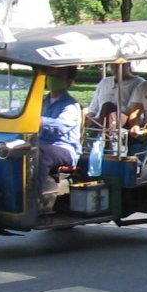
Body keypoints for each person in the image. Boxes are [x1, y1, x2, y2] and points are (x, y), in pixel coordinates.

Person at [37, 66, 82, 202]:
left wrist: (41, 121)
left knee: (41, 153)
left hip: (64, 149)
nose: (53, 79)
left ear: (69, 82)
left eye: (58, 76)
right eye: (51, 75)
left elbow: (61, 126)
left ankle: (33, 198)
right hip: (40, 144)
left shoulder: (71, 105)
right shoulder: (40, 101)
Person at [85, 62, 141, 149]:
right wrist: (89, 117)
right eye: (112, 65)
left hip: (122, 119)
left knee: (108, 107)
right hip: (99, 120)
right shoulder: (104, 82)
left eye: (119, 65)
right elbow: (94, 107)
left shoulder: (138, 83)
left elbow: (131, 109)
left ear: (128, 64)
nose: (115, 68)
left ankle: (103, 142)